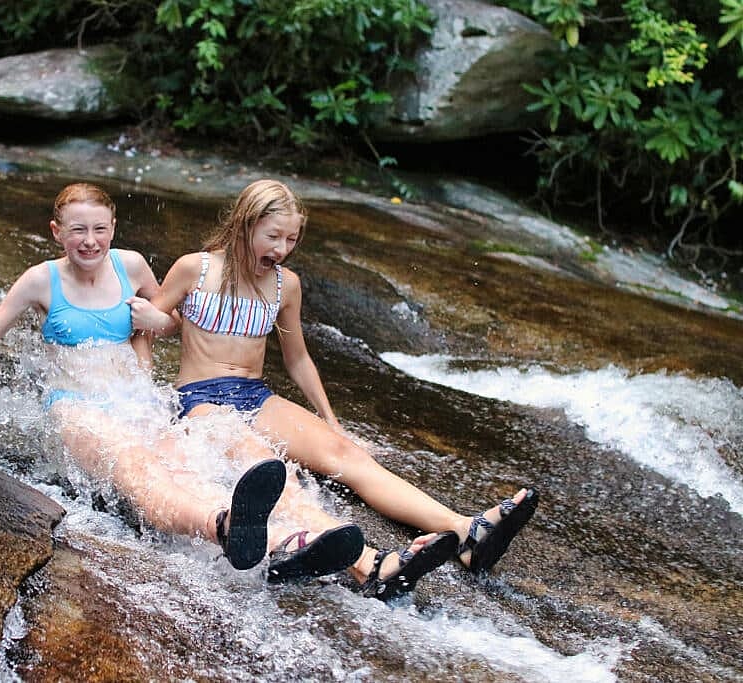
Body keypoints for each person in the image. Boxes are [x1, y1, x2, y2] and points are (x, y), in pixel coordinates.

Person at [0, 182, 436, 598]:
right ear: (57, 232)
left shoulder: (133, 266)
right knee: (140, 467)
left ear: (114, 227)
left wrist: (150, 351)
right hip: (76, 407)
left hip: (140, 402)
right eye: (77, 229)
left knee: (246, 448)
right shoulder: (39, 280)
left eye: (99, 228)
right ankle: (236, 530)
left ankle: (366, 562)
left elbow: (162, 323)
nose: (89, 240)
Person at [128, 179, 539, 579]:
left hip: (255, 394)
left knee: (348, 456)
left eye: (291, 240)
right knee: (269, 466)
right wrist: (146, 394)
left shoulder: (284, 286)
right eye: (273, 237)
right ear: (245, 223)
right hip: (201, 400)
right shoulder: (194, 269)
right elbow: (151, 324)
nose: (282, 250)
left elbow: (299, 358)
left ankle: (469, 533)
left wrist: (330, 420)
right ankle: (370, 564)